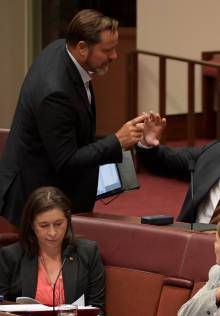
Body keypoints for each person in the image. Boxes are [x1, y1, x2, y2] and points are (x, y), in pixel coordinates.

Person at [0, 9, 147, 226]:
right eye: (108, 50)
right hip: (36, 201)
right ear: (81, 48)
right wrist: (116, 141)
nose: (115, 56)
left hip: (52, 181)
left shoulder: (62, 48)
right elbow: (66, 160)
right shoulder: (55, 92)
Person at [0, 186, 105, 316]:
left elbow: (98, 309)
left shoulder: (87, 252)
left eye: (58, 224)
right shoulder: (11, 256)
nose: (52, 232)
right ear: (32, 225)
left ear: (68, 221)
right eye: (44, 226)